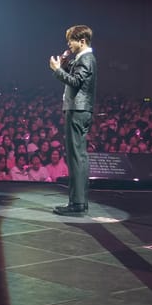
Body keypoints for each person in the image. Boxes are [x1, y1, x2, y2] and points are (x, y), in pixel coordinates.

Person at [49, 24, 97, 216]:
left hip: (77, 109)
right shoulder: (83, 58)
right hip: (80, 109)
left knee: (75, 157)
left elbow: (76, 82)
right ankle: (80, 202)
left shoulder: (86, 58)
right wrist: (64, 63)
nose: (68, 43)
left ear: (82, 41)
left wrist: (57, 70)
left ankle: (76, 204)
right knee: (80, 157)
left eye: (71, 40)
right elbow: (76, 77)